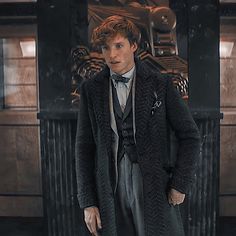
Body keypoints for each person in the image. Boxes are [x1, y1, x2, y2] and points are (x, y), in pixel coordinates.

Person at [75, 15, 200, 236]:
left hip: (153, 184)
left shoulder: (160, 84)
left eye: (119, 45)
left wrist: (180, 183)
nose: (112, 55)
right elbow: (84, 148)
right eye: (106, 48)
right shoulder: (91, 89)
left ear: (133, 46)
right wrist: (88, 202)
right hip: (110, 187)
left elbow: (190, 136)